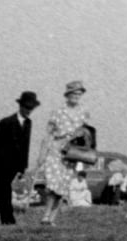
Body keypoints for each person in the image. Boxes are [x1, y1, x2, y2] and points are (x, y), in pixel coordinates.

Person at [0, 90, 39, 225]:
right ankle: (7, 219)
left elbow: (25, 146)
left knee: (0, 191)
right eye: (27, 107)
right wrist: (3, 157)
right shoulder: (6, 122)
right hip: (1, 164)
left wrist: (23, 167)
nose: (29, 110)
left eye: (31, 108)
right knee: (5, 190)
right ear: (21, 106)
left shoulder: (28, 123)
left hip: (15, 165)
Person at [36, 80, 91, 225]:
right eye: (74, 93)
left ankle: (51, 218)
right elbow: (48, 134)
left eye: (79, 94)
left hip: (71, 154)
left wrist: (82, 135)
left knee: (63, 187)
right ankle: (46, 215)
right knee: (52, 185)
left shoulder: (83, 112)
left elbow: (88, 134)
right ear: (68, 94)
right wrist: (42, 154)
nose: (76, 96)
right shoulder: (58, 112)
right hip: (55, 150)